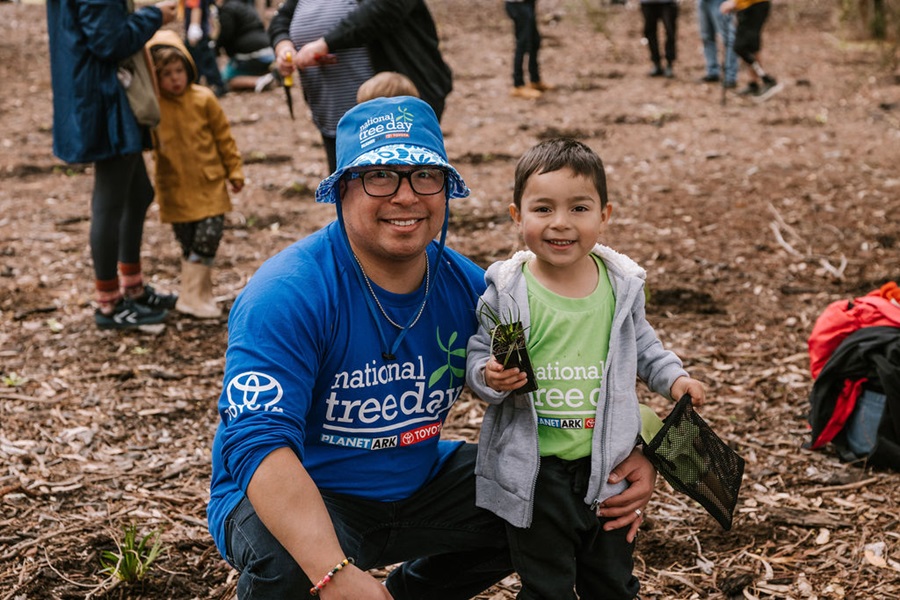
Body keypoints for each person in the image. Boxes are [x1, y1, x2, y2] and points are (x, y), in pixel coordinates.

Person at [207, 96, 658, 599]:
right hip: (305, 491)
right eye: (380, 175)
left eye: (425, 175)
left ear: (445, 189)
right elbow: (258, 443)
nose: (406, 196)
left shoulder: (477, 291)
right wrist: (332, 571)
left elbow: (581, 358)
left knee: (546, 499)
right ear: (342, 189)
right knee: (291, 566)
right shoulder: (288, 293)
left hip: (418, 482)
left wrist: (634, 446)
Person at [466, 138, 706, 599]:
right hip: (538, 473)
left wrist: (674, 378)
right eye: (542, 209)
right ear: (517, 216)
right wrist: (490, 376)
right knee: (547, 585)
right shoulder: (511, 293)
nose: (561, 223)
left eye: (579, 208)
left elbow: (644, 345)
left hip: (608, 468)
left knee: (612, 581)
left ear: (604, 215)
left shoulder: (619, 290)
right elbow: (483, 356)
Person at [46, 0, 179, 330]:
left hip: (100, 94)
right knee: (110, 201)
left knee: (137, 195)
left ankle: (131, 287)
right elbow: (109, 41)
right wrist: (155, 16)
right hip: (105, 101)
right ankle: (109, 304)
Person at [268, 0, 453, 173]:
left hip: (392, 107)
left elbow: (386, 8)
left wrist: (326, 43)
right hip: (333, 107)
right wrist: (283, 46)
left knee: (404, 180)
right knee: (348, 185)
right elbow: (281, 18)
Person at [148, 31, 244, 319]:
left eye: (179, 70)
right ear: (155, 77)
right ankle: (198, 295)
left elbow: (224, 138)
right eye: (166, 74)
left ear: (188, 68)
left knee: (208, 239)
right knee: (188, 243)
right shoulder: (154, 107)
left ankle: (192, 297)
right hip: (175, 187)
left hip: (209, 183)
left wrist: (234, 170)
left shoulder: (204, 98)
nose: (175, 78)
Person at [721, 0, 782, 100]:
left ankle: (767, 80)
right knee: (752, 47)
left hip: (754, 5)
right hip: (747, 6)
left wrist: (734, 2)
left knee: (740, 47)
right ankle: (754, 84)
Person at [214, 0, 276, 92]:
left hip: (254, 54)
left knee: (225, 79)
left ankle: (258, 81)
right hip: (269, 50)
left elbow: (226, 35)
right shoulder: (244, 5)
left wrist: (216, 47)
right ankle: (272, 74)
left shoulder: (227, 9)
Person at [505, 0, 553, 100]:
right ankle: (518, 85)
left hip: (527, 3)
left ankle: (535, 80)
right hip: (517, 4)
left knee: (535, 41)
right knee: (522, 43)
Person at [184, 0, 228, 96]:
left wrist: (194, 26)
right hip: (201, 31)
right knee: (198, 59)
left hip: (198, 34)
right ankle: (197, 83)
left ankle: (218, 84)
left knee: (205, 59)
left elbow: (196, 7)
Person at [697, 0, 738, 88]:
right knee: (706, 37)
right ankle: (712, 71)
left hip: (718, 2)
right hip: (703, 2)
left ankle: (730, 76)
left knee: (728, 39)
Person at [640, 0, 678, 78]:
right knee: (650, 32)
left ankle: (669, 63)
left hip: (668, 3)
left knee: (670, 32)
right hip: (647, 3)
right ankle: (656, 63)